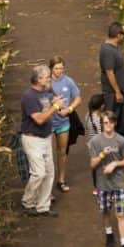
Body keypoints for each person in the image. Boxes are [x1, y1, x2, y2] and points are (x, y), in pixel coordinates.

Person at [88, 110, 124, 247]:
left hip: (118, 182)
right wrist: (102, 155)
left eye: (111, 122)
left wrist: (115, 163)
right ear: (102, 124)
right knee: (105, 211)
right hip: (103, 183)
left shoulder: (120, 140)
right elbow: (92, 164)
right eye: (105, 122)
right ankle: (109, 234)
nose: (108, 125)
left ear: (114, 123)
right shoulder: (95, 142)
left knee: (120, 213)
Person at [20, 63, 62, 217]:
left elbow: (49, 104)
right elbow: (39, 119)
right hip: (33, 139)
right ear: (38, 79)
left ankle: (43, 206)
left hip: (45, 137)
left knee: (49, 172)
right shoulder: (29, 96)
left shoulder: (45, 92)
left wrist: (54, 101)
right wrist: (55, 107)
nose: (49, 79)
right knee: (38, 173)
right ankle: (28, 201)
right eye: (46, 77)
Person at [48, 56, 81, 193]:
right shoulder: (46, 82)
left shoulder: (68, 81)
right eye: (56, 68)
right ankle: (48, 184)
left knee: (62, 152)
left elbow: (78, 98)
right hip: (49, 123)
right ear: (51, 68)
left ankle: (61, 180)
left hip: (63, 123)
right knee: (48, 154)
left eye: (61, 68)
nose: (59, 71)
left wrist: (69, 109)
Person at [99, 21, 124, 137]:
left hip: (120, 89)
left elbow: (121, 29)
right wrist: (117, 92)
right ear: (118, 35)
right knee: (113, 117)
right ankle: (112, 142)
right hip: (113, 93)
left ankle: (122, 140)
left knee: (121, 116)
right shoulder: (108, 51)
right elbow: (109, 73)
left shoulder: (113, 45)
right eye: (123, 34)